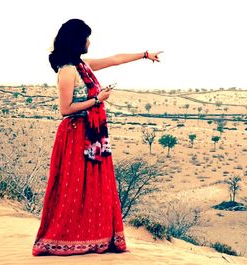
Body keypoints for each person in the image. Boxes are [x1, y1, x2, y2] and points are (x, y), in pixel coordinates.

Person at [32, 18, 162, 256]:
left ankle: (93, 238)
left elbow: (114, 60)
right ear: (77, 40)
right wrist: (97, 100)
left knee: (93, 188)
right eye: (86, 37)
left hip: (92, 135)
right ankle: (65, 239)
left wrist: (144, 54)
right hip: (75, 134)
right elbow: (65, 108)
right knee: (73, 189)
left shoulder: (83, 65)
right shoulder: (68, 70)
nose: (89, 41)